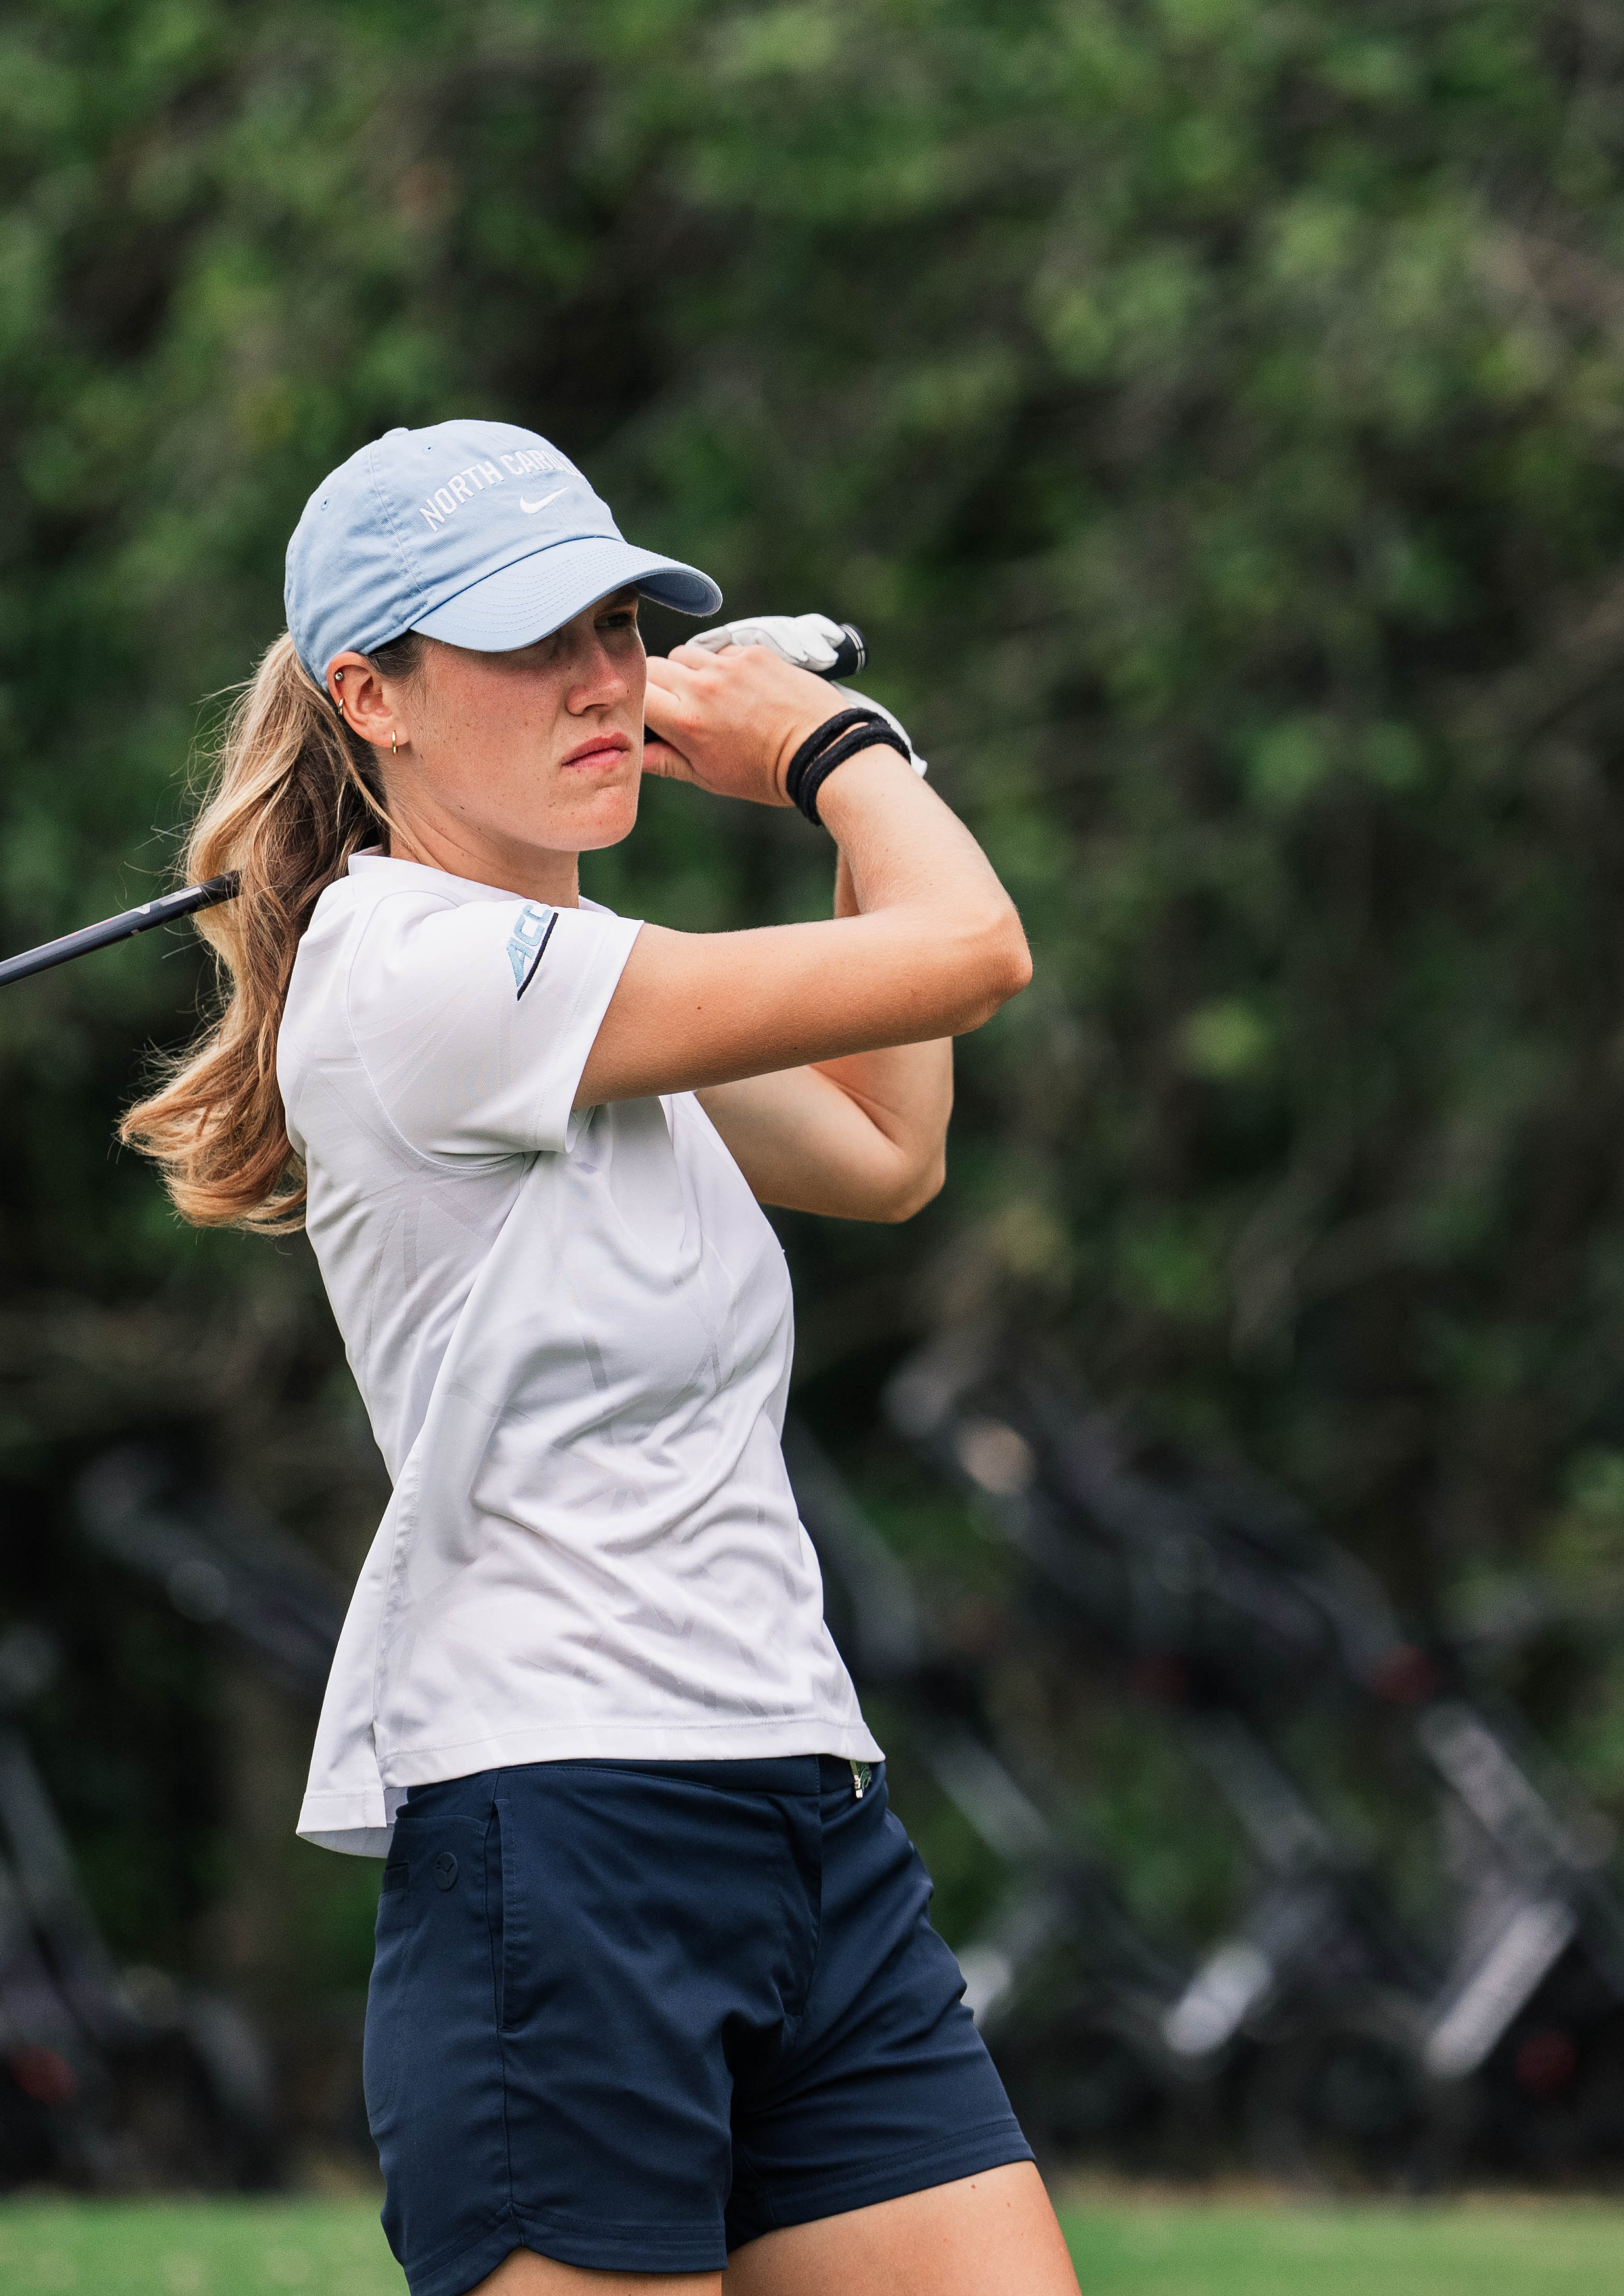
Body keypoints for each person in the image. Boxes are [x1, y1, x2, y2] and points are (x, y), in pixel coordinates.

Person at [120, 420, 1072, 2296]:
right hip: (565, 1841)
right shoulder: (415, 971)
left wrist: (852, 777)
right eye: (531, 641)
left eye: (622, 629)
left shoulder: (587, 989)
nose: (604, 681)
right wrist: (838, 759)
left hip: (795, 1807)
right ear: (369, 694)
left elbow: (891, 1146)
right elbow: (971, 949)